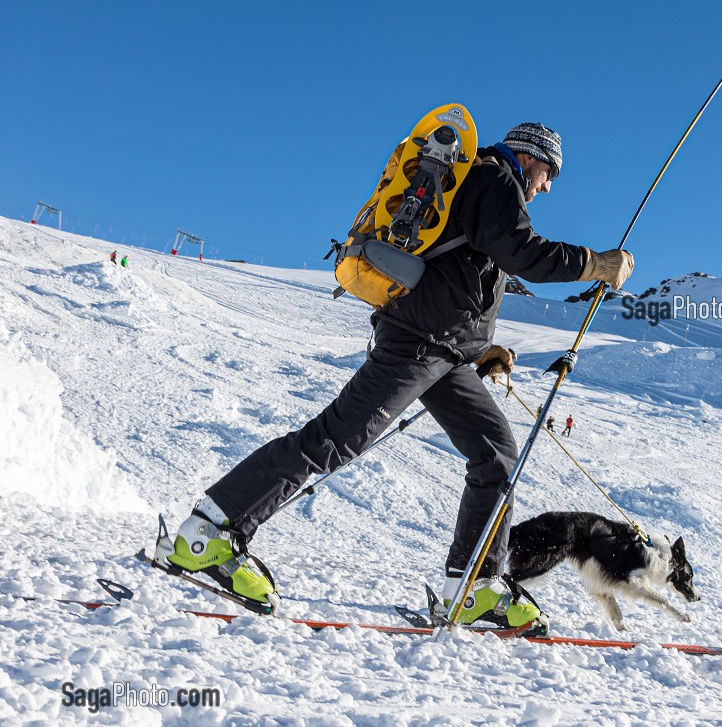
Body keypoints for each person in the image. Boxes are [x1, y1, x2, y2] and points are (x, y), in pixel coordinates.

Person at [156, 121, 634, 628]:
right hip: (417, 344)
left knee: (495, 452)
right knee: (336, 438)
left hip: (446, 351)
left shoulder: (483, 186)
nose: (548, 186)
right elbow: (524, 255)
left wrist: (480, 349)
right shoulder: (495, 179)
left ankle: (473, 590)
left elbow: (458, 278)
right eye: (550, 172)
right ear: (531, 157)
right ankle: (208, 532)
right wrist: (596, 264)